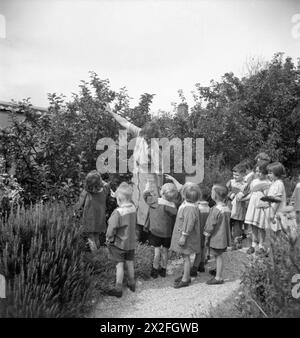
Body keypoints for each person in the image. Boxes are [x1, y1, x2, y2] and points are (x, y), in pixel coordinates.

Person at [103, 104, 163, 242]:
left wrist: (160, 190)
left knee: (148, 210)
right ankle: (136, 241)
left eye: (148, 137)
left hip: (149, 181)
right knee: (136, 208)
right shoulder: (140, 133)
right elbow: (125, 123)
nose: (145, 138)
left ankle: (148, 242)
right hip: (137, 179)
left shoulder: (155, 149)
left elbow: (159, 172)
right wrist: (111, 112)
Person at [106, 182, 137, 298]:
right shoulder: (133, 207)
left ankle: (118, 289)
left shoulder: (117, 212)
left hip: (119, 244)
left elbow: (111, 228)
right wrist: (118, 196)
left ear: (118, 199)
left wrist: (109, 238)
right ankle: (132, 283)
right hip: (131, 243)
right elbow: (127, 199)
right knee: (130, 262)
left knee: (119, 265)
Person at [143, 182, 178, 278]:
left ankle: (154, 270)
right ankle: (163, 269)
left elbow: (145, 196)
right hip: (167, 233)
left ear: (161, 192)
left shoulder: (155, 202)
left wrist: (147, 189)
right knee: (165, 251)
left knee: (157, 251)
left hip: (155, 232)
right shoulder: (173, 206)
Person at [170, 183, 201, 288]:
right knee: (185, 257)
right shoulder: (189, 204)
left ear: (184, 195)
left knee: (186, 257)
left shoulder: (189, 208)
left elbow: (189, 223)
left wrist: (184, 236)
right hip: (184, 234)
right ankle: (185, 275)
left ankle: (185, 279)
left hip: (186, 237)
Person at [75, 170, 110, 251]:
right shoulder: (104, 190)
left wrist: (73, 210)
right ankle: (98, 255)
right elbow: (106, 184)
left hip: (89, 219)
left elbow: (79, 203)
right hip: (100, 219)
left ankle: (95, 256)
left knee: (91, 238)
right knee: (96, 237)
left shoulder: (86, 191)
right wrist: (100, 179)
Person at [204, 184, 231, 285]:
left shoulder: (216, 209)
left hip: (217, 237)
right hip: (223, 237)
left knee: (218, 256)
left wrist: (206, 235)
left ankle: (218, 277)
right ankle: (217, 271)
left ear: (215, 195)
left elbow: (210, 225)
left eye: (212, 191)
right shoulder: (226, 208)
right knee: (218, 255)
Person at [244, 163, 271, 254]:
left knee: (261, 226)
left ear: (265, 172)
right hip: (253, 205)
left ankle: (261, 245)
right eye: (257, 171)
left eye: (260, 171)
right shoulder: (254, 182)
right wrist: (244, 199)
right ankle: (253, 244)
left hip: (262, 207)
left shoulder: (268, 183)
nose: (258, 173)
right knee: (253, 225)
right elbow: (251, 193)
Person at [257, 162, 287, 235]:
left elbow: (277, 200)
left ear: (277, 173)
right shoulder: (274, 183)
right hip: (273, 211)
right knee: (273, 232)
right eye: (268, 173)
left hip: (277, 213)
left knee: (278, 232)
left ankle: (278, 246)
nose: (268, 175)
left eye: (270, 173)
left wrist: (272, 214)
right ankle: (273, 246)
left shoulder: (279, 184)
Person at [190, 187, 211, 276]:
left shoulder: (197, 208)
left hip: (197, 232)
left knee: (198, 250)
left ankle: (194, 268)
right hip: (206, 232)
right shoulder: (209, 208)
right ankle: (201, 265)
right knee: (203, 248)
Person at [226, 164, 247, 249]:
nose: (235, 176)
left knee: (238, 224)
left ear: (243, 175)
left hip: (239, 207)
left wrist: (242, 195)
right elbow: (225, 190)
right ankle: (229, 241)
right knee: (228, 222)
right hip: (230, 205)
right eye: (234, 174)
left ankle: (237, 241)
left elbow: (247, 193)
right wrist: (230, 194)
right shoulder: (231, 182)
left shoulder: (245, 184)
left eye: (237, 175)